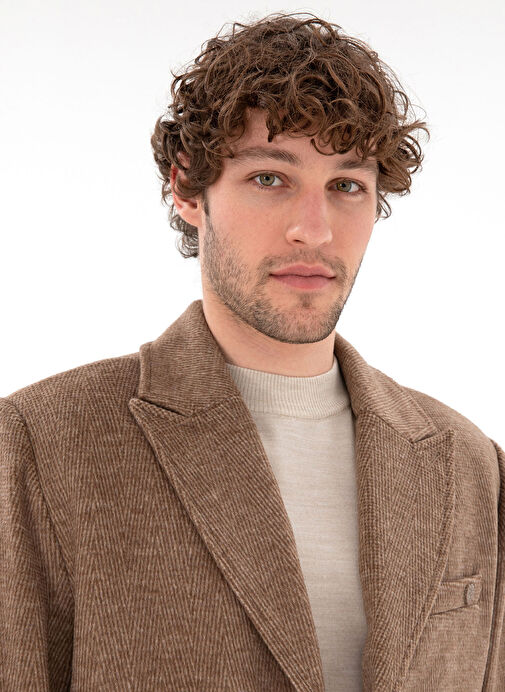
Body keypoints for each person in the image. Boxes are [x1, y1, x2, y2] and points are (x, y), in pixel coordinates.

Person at [0, 11, 503, 692]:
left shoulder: (468, 463)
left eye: (346, 185)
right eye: (270, 178)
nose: (313, 230)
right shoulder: (41, 442)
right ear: (187, 189)